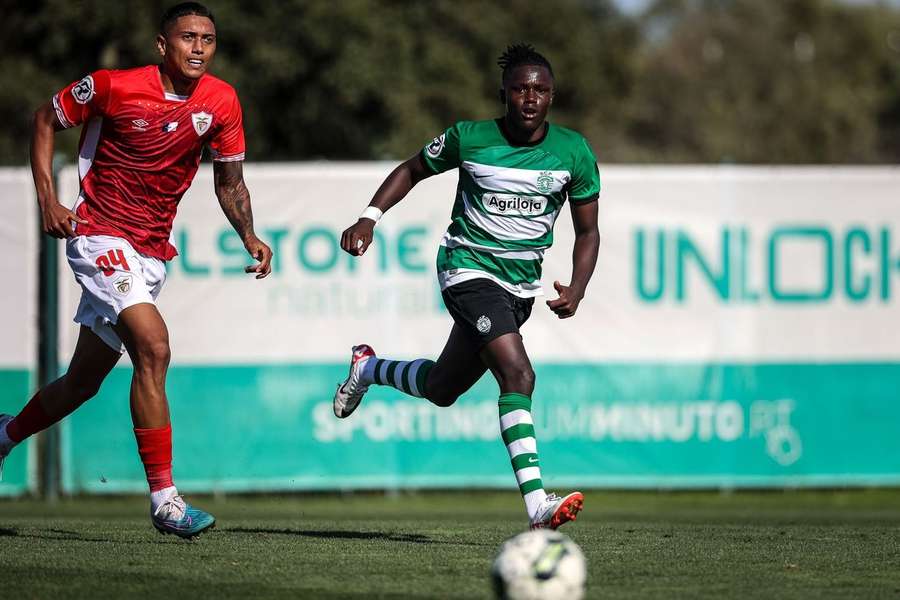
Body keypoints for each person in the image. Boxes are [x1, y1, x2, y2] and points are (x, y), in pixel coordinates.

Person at [0, 2, 272, 539]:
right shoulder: (112, 86)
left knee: (83, 382)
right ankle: (165, 501)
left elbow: (230, 181)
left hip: (150, 253)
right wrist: (48, 200)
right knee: (154, 346)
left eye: (208, 39)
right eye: (188, 37)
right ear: (162, 45)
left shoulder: (222, 100)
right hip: (99, 234)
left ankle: (4, 435)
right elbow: (44, 119)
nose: (198, 48)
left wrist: (249, 235)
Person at [334, 44, 601, 530]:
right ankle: (538, 507)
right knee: (518, 375)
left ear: (552, 96)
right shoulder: (470, 137)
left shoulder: (574, 151)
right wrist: (369, 217)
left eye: (540, 90)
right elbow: (412, 169)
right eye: (520, 89)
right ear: (504, 93)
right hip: (467, 270)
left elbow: (588, 232)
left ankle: (367, 368)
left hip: (519, 289)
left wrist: (578, 287)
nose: (530, 98)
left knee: (442, 388)